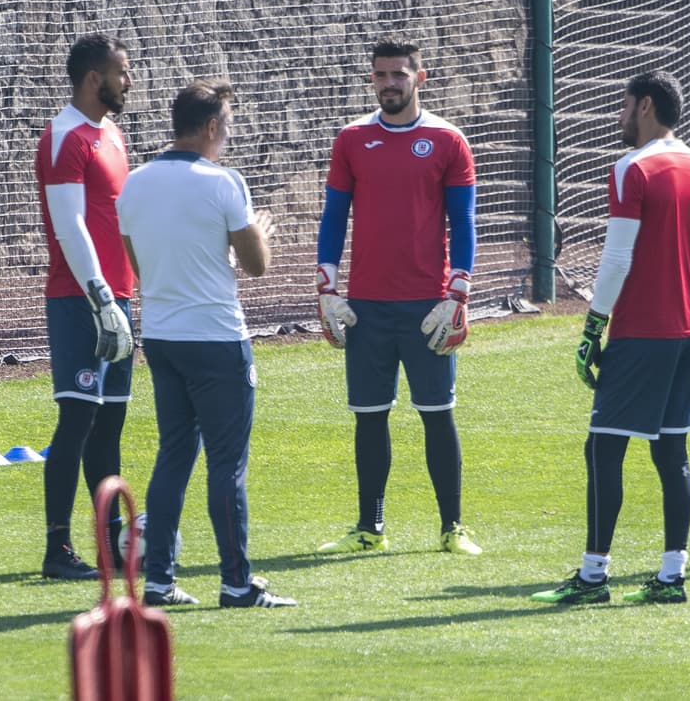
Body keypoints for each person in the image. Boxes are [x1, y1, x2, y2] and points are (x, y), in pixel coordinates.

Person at [531, 71, 690, 606]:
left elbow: (617, 259)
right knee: (671, 452)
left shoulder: (632, 168)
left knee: (603, 450)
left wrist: (594, 325)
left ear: (643, 107)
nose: (618, 116)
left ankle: (593, 578)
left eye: (622, 105)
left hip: (642, 333)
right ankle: (671, 576)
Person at [116, 78, 295, 608]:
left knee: (173, 455)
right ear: (213, 126)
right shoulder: (224, 183)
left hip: (164, 337)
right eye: (229, 124)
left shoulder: (135, 183)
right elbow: (257, 265)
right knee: (226, 464)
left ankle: (159, 580)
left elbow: (140, 265)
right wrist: (257, 231)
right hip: (216, 339)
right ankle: (237, 583)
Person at [313, 36, 482, 556]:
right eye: (380, 75)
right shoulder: (351, 139)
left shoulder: (449, 140)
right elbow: (334, 218)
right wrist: (326, 289)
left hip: (427, 306)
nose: (389, 83)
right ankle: (369, 528)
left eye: (399, 75)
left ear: (420, 78)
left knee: (438, 413)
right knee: (369, 415)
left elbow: (465, 221)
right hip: (365, 306)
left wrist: (458, 293)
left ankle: (452, 528)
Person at [35, 33, 137, 580]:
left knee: (109, 424)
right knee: (78, 417)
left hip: (118, 298)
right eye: (122, 71)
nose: (129, 79)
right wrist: (100, 297)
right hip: (80, 300)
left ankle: (111, 548)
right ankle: (57, 550)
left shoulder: (112, 134)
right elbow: (70, 225)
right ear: (95, 78)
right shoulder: (63, 136)